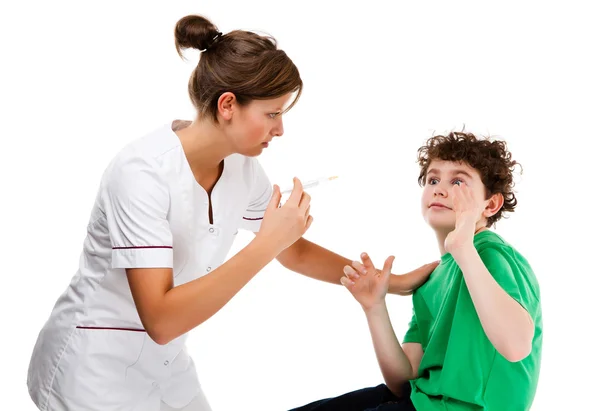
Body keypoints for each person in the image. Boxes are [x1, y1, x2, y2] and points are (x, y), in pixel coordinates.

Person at [26, 15, 437, 411]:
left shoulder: (241, 167)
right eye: (272, 114)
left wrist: (392, 283)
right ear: (228, 105)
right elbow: (162, 319)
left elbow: (292, 252)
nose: (280, 130)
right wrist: (267, 242)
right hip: (93, 372)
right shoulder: (141, 174)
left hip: (165, 367)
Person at [289, 131, 543, 411]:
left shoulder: (491, 254)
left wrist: (464, 247)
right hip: (421, 402)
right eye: (433, 180)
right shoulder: (431, 280)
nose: (440, 189)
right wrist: (375, 308)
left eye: (458, 181)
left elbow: (517, 346)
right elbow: (403, 382)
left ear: (490, 204)